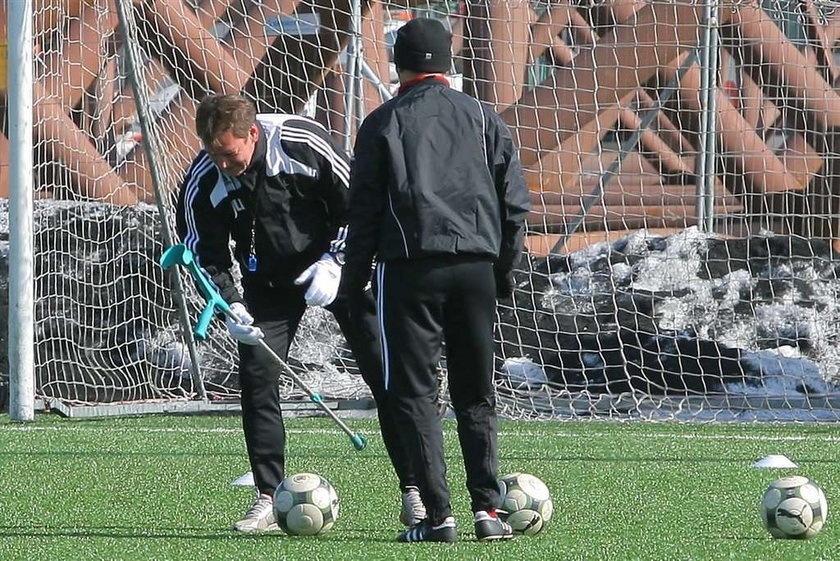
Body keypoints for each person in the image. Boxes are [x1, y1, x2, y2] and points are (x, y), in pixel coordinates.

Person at [175, 93, 421, 532]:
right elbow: (202, 252)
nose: (223, 166)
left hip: (340, 269)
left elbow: (364, 207)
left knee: (384, 371)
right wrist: (228, 303)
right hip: (266, 282)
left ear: (252, 135)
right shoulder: (203, 177)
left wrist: (338, 263)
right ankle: (268, 495)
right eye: (214, 156)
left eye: (230, 155)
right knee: (256, 376)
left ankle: (415, 489)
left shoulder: (304, 143)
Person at [340, 18, 531, 543]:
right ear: (448, 62)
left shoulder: (382, 123)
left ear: (399, 64)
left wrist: (352, 282)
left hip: (409, 269)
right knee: (476, 391)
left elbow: (365, 216)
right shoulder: (482, 117)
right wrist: (503, 271)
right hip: (476, 269)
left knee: (415, 394)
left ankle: (437, 516)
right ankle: (488, 512)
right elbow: (514, 204)